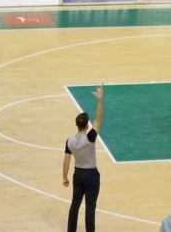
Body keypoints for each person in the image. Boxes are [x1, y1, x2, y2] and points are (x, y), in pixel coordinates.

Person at [63, 84, 104, 232]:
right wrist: (99, 100)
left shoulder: (69, 141)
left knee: (75, 204)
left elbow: (66, 160)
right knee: (90, 208)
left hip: (78, 175)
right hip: (91, 176)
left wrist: (64, 177)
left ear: (76, 125)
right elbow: (98, 118)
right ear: (86, 125)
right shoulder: (90, 138)